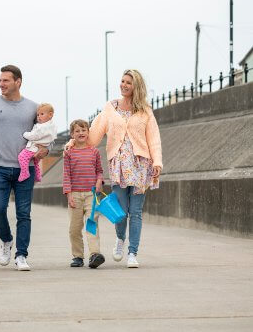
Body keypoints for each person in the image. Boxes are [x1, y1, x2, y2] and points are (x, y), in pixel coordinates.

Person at [66, 69, 162, 268]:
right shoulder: (110, 108)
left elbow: (154, 138)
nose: (124, 85)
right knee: (121, 211)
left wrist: (157, 163)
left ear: (137, 86)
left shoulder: (145, 110)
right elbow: (93, 136)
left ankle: (132, 252)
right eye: (122, 81)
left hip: (141, 165)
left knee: (136, 212)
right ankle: (120, 239)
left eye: (128, 82)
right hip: (118, 165)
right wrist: (72, 142)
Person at [0, 64, 48, 271]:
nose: (1, 84)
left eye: (5, 80)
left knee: (24, 213)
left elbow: (45, 132)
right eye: (0, 80)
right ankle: (6, 241)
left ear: (18, 82)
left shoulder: (33, 107)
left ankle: (21, 255)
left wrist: (46, 150)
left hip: (26, 169)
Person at [63, 119, 105, 269]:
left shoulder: (94, 151)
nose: (81, 133)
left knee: (92, 224)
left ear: (88, 132)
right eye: (77, 131)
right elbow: (66, 175)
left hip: (91, 194)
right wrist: (68, 194)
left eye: (83, 130)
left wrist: (99, 180)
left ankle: (95, 254)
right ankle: (78, 256)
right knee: (74, 228)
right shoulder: (69, 153)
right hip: (74, 195)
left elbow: (99, 171)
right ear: (72, 134)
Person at [18, 103, 58, 182]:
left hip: (33, 148)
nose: (39, 117)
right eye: (38, 115)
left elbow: (34, 136)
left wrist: (25, 134)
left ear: (50, 115)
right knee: (36, 163)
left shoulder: (42, 127)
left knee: (22, 157)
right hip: (40, 149)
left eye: (42, 114)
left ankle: (25, 173)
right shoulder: (52, 126)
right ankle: (38, 176)